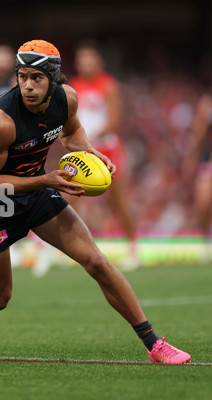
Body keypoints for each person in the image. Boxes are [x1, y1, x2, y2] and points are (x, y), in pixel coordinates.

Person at [0, 40, 191, 364]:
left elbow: (72, 133)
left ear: (54, 79)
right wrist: (45, 179)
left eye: (37, 78)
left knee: (96, 261)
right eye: (22, 76)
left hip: (37, 193)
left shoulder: (67, 99)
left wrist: (90, 152)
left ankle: (154, 344)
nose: (27, 85)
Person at [67, 40, 139, 271]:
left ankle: (133, 247)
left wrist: (87, 137)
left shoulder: (108, 85)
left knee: (118, 200)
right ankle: (67, 248)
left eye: (90, 58)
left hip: (106, 149)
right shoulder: (74, 85)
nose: (86, 63)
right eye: (82, 59)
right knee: (70, 199)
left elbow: (113, 121)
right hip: (83, 151)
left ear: (100, 61)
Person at [183, 67, 212, 264]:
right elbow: (199, 132)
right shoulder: (209, 104)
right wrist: (192, 156)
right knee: (204, 201)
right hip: (209, 158)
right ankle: (208, 241)